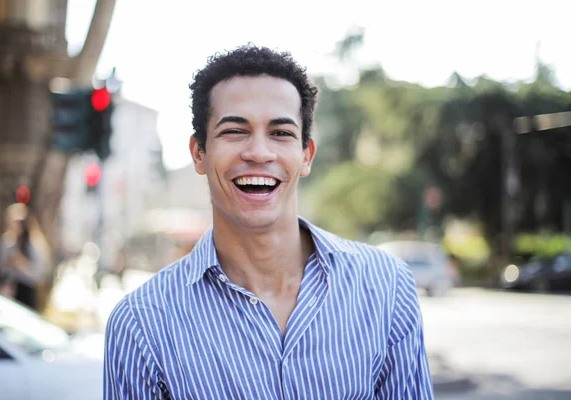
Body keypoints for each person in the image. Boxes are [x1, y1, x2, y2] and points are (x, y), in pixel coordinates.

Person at [104, 45, 434, 399]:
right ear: (199, 153)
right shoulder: (141, 325)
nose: (259, 153)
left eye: (280, 133)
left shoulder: (385, 287)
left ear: (305, 156)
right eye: (234, 131)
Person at [0, 203, 48, 310]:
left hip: (26, 292)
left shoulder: (34, 244)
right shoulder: (7, 241)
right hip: (8, 289)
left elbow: (39, 275)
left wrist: (21, 263)